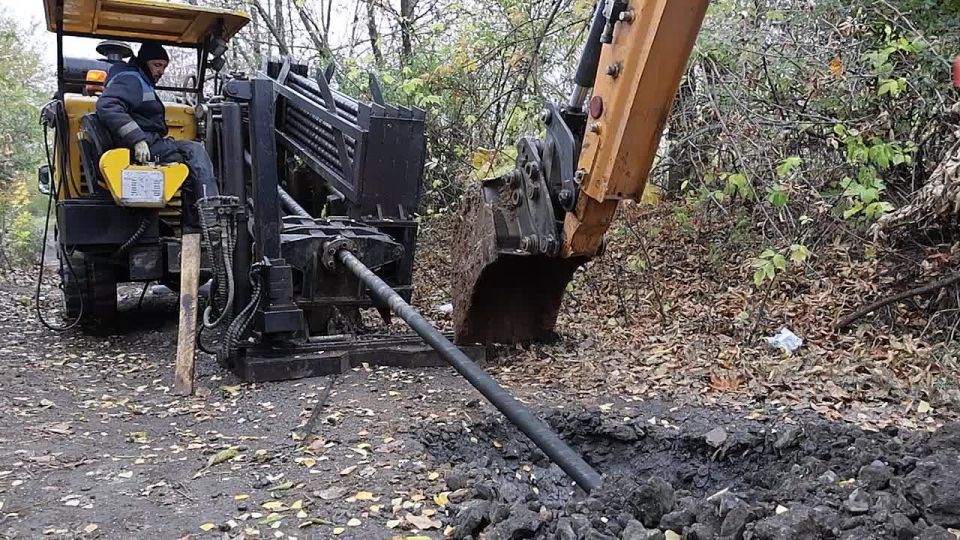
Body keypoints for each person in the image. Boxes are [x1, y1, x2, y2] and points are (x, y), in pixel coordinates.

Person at [96, 41, 217, 229]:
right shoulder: (132, 79)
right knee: (195, 151)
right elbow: (107, 105)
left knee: (189, 167)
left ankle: (192, 225)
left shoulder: (139, 80)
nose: (161, 71)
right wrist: (137, 140)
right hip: (143, 147)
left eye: (164, 66)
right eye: (157, 65)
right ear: (144, 62)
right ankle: (210, 218)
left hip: (148, 143)